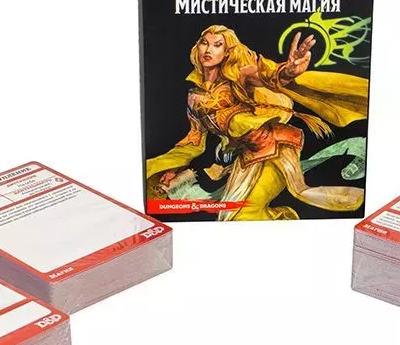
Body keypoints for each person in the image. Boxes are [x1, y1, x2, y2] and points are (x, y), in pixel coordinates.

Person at [145, 25, 369, 220]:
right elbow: (194, 140)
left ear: (227, 51)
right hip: (246, 158)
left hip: (275, 148)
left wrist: (288, 71)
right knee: (228, 218)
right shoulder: (195, 97)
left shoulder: (239, 75)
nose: (208, 50)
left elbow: (268, 76)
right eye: (204, 43)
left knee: (244, 216)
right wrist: (170, 168)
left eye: (217, 45)